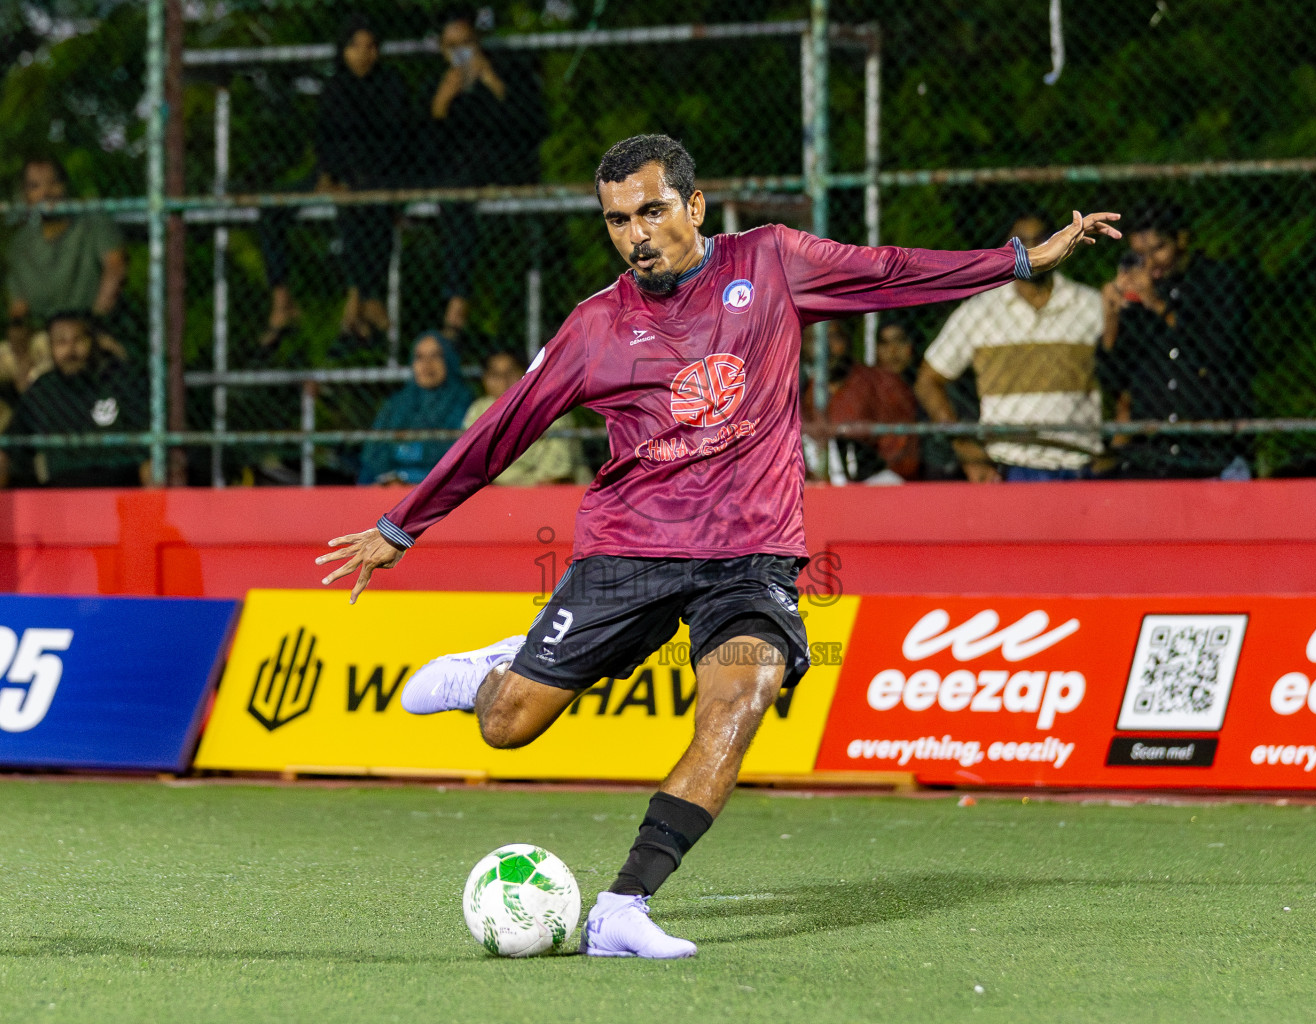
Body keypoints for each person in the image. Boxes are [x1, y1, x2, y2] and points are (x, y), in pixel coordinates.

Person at [315, 135, 1119, 958]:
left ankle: (622, 907)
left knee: (742, 694)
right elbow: (505, 427)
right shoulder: (595, 327)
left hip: (749, 554)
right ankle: (496, 670)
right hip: (629, 551)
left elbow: (887, 271)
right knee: (508, 727)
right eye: (618, 220)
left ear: (694, 207)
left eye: (652, 211)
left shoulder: (771, 263)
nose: (636, 234)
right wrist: (398, 526)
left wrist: (1019, 260)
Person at [915, 211, 1105, 482]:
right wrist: (965, 449)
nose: (1030, 249)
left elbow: (1125, 374)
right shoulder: (981, 310)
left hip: (1079, 461)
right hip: (1008, 464)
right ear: (1007, 248)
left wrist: (1117, 444)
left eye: (1039, 239)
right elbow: (928, 379)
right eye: (1021, 241)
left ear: (1057, 242)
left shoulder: (1089, 305)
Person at [0, 157, 126, 434]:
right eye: (34, 186)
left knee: (42, 383)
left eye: (53, 183)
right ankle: (13, 435)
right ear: (26, 196)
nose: (45, 193)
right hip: (38, 340)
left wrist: (94, 325)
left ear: (66, 186)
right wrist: (21, 361)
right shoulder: (21, 245)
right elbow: (18, 314)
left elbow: (115, 268)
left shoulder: (93, 223)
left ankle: (47, 466)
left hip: (83, 336)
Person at [1097, 201, 1252, 478]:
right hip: (1150, 459)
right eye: (1140, 253)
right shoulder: (1137, 293)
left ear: (1181, 240)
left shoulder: (1216, 282)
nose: (1150, 262)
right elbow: (1112, 378)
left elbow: (1218, 352)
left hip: (1211, 454)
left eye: (1158, 249)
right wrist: (1111, 318)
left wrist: (1158, 305)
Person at [425, 7, 547, 340]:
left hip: (504, 166)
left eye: (466, 43)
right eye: (452, 46)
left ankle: (460, 302)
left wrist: (492, 82)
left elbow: (530, 127)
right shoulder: (437, 83)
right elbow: (424, 148)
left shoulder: (506, 72)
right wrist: (441, 105)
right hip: (457, 176)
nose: (460, 53)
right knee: (454, 194)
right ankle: (457, 299)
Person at [316, 15, 411, 356]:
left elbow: (398, 141)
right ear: (342, 50)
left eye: (370, 46)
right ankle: (368, 305)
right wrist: (330, 175)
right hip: (346, 180)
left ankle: (358, 306)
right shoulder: (334, 88)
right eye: (354, 46)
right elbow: (325, 141)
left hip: (381, 178)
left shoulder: (390, 85)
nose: (362, 54)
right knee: (352, 202)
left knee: (367, 202)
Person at [0, 310, 150, 489]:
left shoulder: (121, 382)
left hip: (119, 491)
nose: (70, 351)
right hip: (62, 497)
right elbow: (6, 451)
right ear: (50, 347)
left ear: (94, 342)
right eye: (61, 343)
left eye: (79, 340)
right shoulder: (43, 391)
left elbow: (150, 457)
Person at [801, 322, 921, 482]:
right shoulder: (799, 394)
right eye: (815, 339)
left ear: (848, 340)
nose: (826, 348)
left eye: (834, 337)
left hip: (876, 488)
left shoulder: (883, 384)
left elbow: (904, 460)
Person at [358, 331, 472, 485]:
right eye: (420, 357)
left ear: (449, 361)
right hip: (392, 488)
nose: (427, 364)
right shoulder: (396, 404)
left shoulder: (463, 403)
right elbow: (374, 455)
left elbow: (462, 462)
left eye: (436, 356)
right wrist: (389, 479)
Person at [463, 350, 586, 485]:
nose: (504, 381)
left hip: (551, 492)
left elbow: (557, 475)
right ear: (485, 380)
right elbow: (471, 468)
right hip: (499, 494)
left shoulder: (550, 407)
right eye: (495, 375)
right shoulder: (479, 410)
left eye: (511, 373)